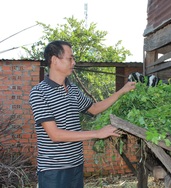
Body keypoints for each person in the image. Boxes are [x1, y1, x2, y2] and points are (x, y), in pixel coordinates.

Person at [29, 40, 136, 188]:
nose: (74, 62)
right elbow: (55, 135)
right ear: (54, 60)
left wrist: (122, 91)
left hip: (76, 165)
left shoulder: (72, 89)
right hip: (53, 170)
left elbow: (95, 108)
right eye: (70, 58)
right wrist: (97, 133)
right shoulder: (39, 93)